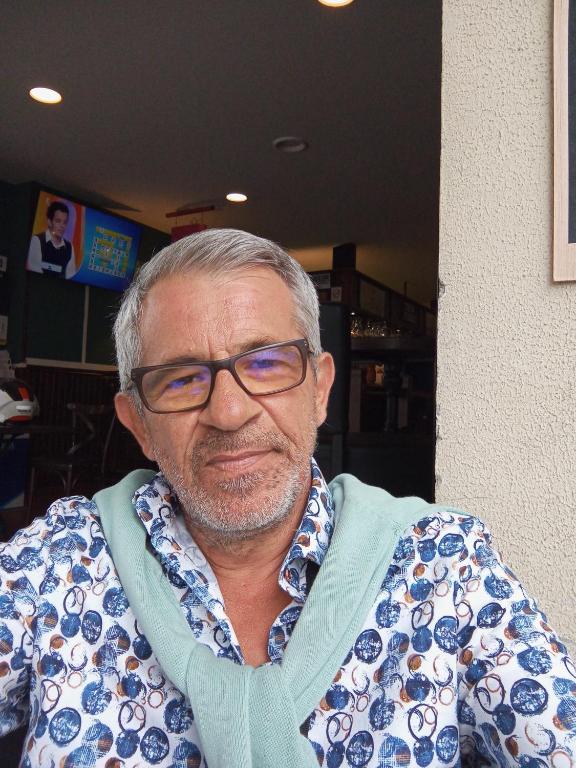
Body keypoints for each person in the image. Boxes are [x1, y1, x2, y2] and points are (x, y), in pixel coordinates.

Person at [1, 229, 575, 766]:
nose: (229, 412)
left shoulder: (445, 565)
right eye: (181, 379)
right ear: (139, 424)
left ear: (320, 389)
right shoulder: (57, 562)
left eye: (267, 364)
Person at [26, 200, 77, 279]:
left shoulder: (69, 247)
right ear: (49, 222)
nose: (62, 226)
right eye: (58, 221)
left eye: (65, 222)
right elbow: (34, 269)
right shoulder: (37, 240)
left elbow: (71, 276)